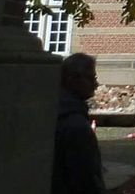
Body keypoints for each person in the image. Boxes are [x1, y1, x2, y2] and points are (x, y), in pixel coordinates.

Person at [54, 52, 106, 194]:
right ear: (73, 79)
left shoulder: (55, 110)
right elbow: (85, 179)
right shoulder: (76, 125)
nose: (96, 84)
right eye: (91, 78)